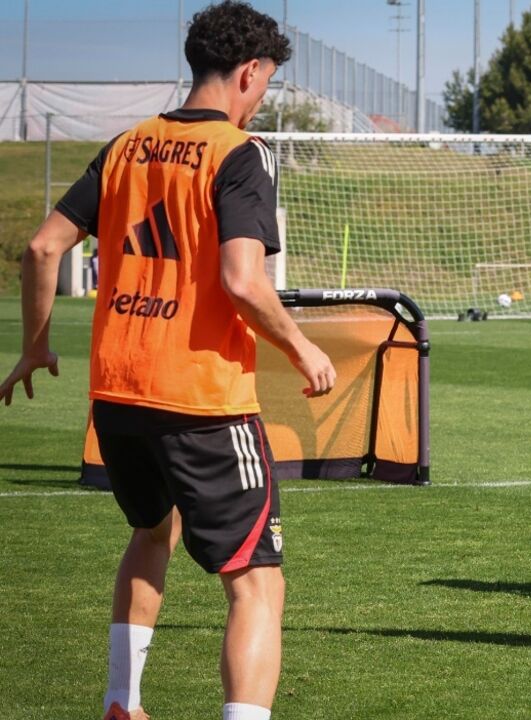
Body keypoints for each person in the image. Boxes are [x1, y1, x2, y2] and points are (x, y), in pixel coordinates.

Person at [0, 3, 336, 719]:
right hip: (203, 400)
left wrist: (35, 346)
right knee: (256, 582)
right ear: (250, 73)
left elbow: (41, 249)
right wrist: (303, 346)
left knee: (152, 531)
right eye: (267, 82)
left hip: (118, 392)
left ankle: (123, 702)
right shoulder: (239, 154)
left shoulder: (125, 146)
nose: (262, 97)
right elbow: (242, 281)